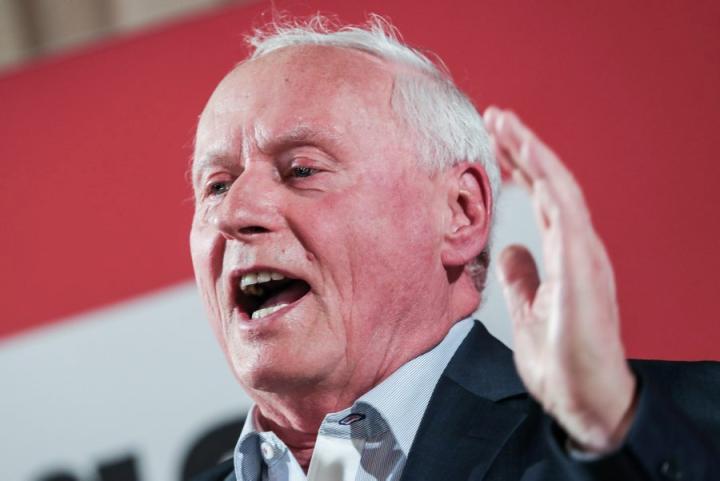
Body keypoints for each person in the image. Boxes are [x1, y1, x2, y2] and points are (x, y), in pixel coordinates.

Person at [189, 16, 719, 481]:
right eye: (216, 186)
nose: (234, 213)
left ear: (460, 213)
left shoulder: (677, 421)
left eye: (302, 170)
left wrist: (615, 437)